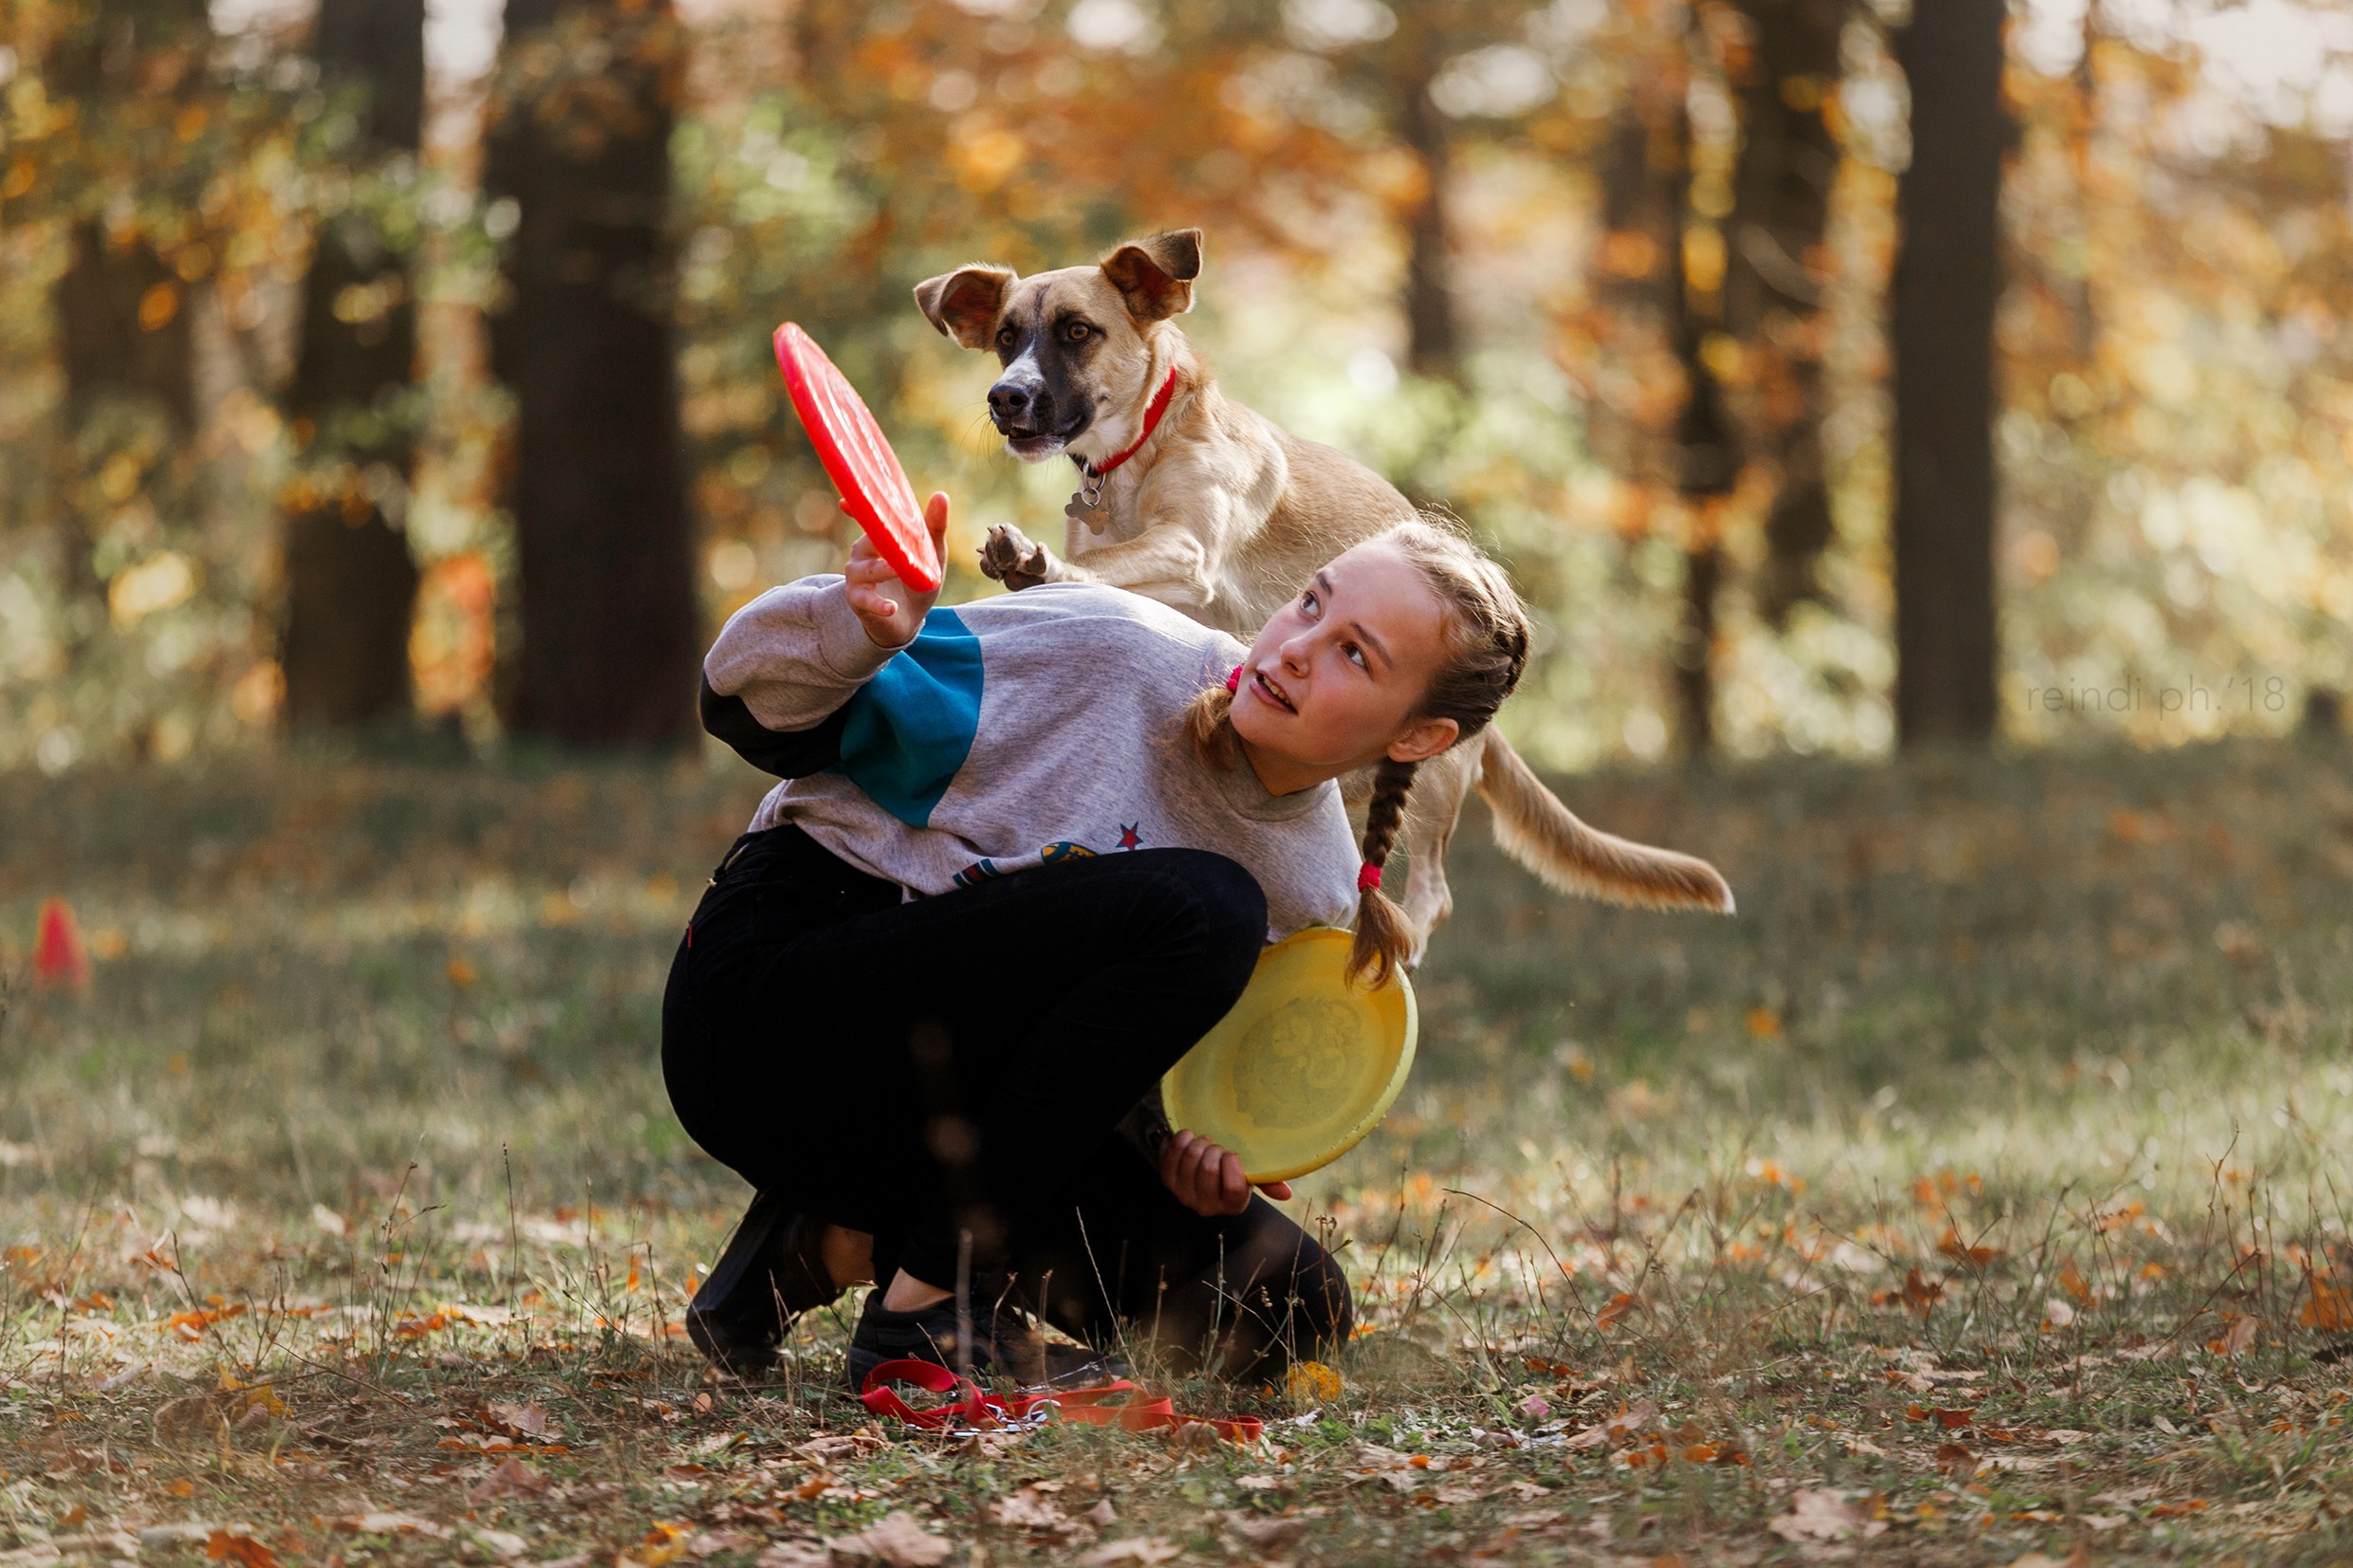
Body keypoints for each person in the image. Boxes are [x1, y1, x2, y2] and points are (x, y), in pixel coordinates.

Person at [663, 489, 1530, 1389]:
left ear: (1420, 735)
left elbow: (1092, 1064)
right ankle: (925, 1313)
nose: (1299, 648)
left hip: (936, 1120)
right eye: (1312, 603)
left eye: (1355, 653)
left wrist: (1179, 1147)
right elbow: (743, 712)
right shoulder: (1115, 652)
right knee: (1203, 907)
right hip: (769, 1017)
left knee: (1292, 1299)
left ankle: (823, 1243)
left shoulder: (1311, 890)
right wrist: (858, 629)